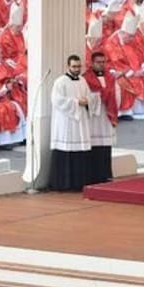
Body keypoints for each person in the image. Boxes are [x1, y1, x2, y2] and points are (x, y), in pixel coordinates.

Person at [48, 54, 93, 192]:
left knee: (79, 152)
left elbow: (89, 96)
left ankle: (78, 183)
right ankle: (62, 183)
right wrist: (76, 102)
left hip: (80, 121)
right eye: (74, 66)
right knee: (66, 151)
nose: (76, 69)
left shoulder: (83, 81)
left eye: (79, 66)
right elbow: (57, 100)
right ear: (68, 66)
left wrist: (88, 101)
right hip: (66, 121)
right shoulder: (60, 82)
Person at [84, 51, 118, 185]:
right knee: (94, 145)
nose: (101, 65)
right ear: (92, 63)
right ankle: (94, 176)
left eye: (103, 62)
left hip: (106, 114)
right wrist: (99, 96)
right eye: (98, 62)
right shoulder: (86, 78)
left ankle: (106, 174)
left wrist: (109, 97)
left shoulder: (110, 77)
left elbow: (116, 93)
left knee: (106, 145)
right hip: (94, 115)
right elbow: (85, 95)